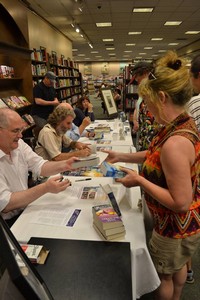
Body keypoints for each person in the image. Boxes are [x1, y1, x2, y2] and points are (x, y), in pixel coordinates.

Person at [104, 51, 200, 300]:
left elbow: (180, 202)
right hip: (185, 225)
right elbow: (154, 154)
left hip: (173, 226)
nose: (145, 108)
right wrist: (122, 156)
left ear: (162, 97)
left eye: (147, 102)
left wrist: (139, 180)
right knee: (177, 265)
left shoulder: (175, 142)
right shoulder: (179, 124)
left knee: (163, 274)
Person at [0, 108, 78, 226]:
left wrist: (65, 165)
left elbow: (40, 165)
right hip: (7, 223)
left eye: (21, 130)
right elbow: (6, 204)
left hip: (26, 209)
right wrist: (45, 188)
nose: (20, 135)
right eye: (15, 130)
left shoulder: (18, 144)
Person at [131, 61, 159, 151]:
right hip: (143, 131)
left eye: (137, 77)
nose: (136, 80)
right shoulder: (143, 89)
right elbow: (138, 106)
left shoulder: (154, 89)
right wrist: (135, 120)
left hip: (152, 133)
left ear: (146, 73)